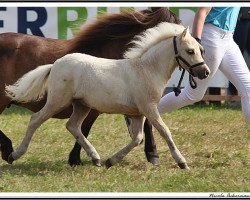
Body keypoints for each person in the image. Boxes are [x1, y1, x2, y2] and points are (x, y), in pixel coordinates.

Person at [157, 7, 250, 128]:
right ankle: (144, 113)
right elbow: (202, 11)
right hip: (212, 36)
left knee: (248, 88)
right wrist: (197, 42)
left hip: (228, 38)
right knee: (192, 94)